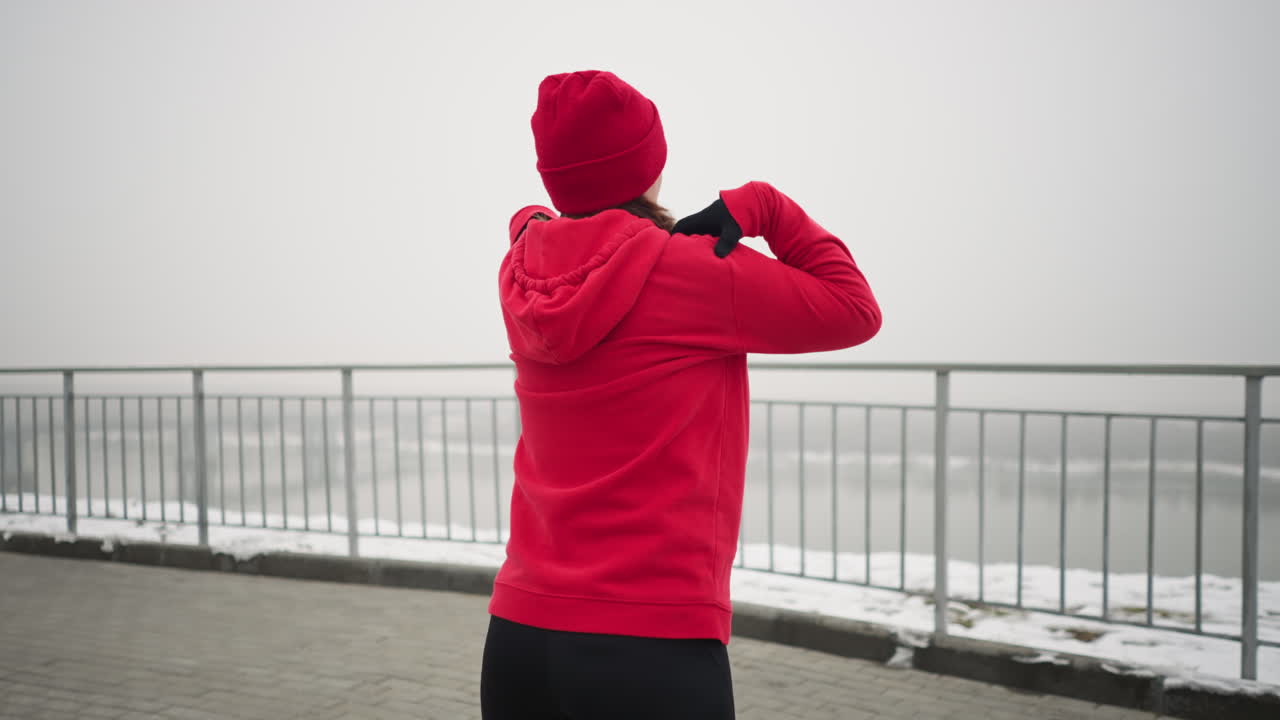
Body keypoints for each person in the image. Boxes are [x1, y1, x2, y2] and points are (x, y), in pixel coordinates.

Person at [482, 69, 882, 720]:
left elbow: (525, 220)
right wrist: (765, 206)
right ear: (649, 168)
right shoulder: (696, 271)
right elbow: (854, 308)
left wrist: (538, 215)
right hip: (652, 646)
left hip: (520, 640)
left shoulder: (522, 269)